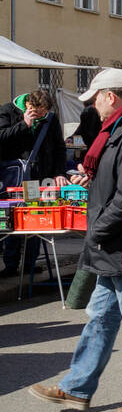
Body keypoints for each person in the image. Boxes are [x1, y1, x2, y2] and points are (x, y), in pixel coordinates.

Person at [27, 69, 122, 412]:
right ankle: (77, 388)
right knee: (101, 318)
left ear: (112, 96)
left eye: (95, 98)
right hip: (116, 243)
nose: (93, 106)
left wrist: (98, 231)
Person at [0, 87, 67, 275]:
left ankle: (30, 263)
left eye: (43, 113)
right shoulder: (8, 111)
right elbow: (2, 137)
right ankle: (11, 264)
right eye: (36, 112)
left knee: (35, 218)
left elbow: (59, 148)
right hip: (14, 178)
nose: (40, 116)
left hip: (37, 178)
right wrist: (24, 124)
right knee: (14, 218)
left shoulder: (50, 118)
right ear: (28, 105)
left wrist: (59, 172)